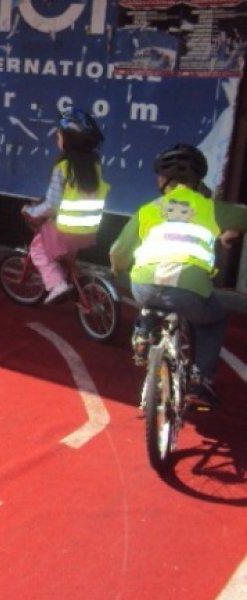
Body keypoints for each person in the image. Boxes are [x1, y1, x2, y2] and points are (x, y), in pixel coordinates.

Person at [110, 143, 247, 409]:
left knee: (152, 300)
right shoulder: (211, 208)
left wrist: (118, 268)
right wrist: (231, 230)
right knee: (213, 322)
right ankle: (200, 382)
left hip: (144, 284)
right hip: (190, 290)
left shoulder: (148, 209)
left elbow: (118, 251)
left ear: (164, 180)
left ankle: (143, 332)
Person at [21, 108, 108, 302]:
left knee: (38, 249)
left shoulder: (63, 167)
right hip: (88, 230)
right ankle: (74, 282)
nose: (57, 139)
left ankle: (57, 284)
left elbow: (52, 204)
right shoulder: (95, 166)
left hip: (64, 229)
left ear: (68, 139)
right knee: (66, 256)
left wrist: (31, 211)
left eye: (59, 135)